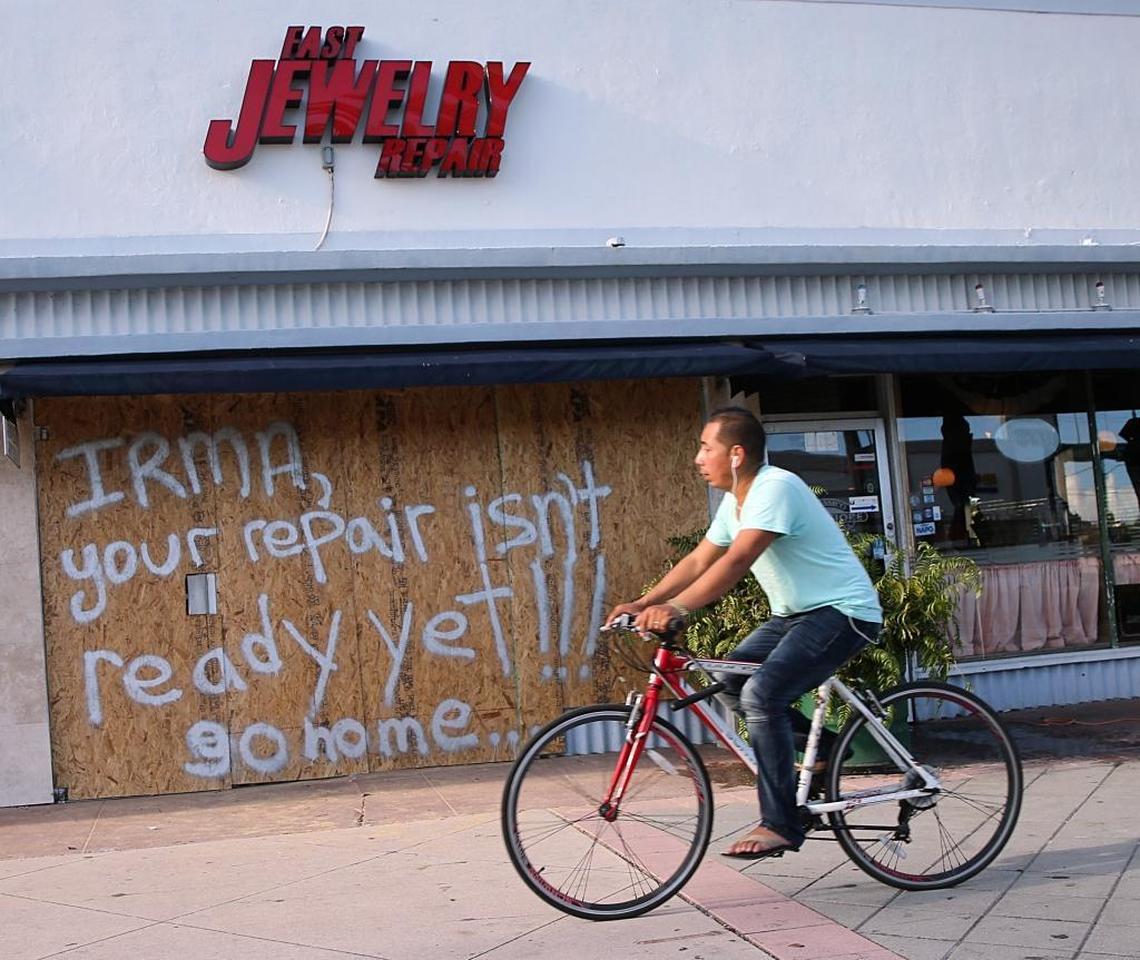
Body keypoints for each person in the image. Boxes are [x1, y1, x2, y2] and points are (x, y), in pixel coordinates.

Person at [606, 405, 882, 859]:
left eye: (705, 447)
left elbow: (737, 561)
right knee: (732, 682)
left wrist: (675, 607)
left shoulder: (774, 488)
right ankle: (827, 750)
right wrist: (643, 602)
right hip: (796, 614)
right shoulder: (736, 502)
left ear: (735, 454)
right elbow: (699, 559)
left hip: (842, 612)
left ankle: (781, 824)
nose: (698, 457)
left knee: (762, 695)